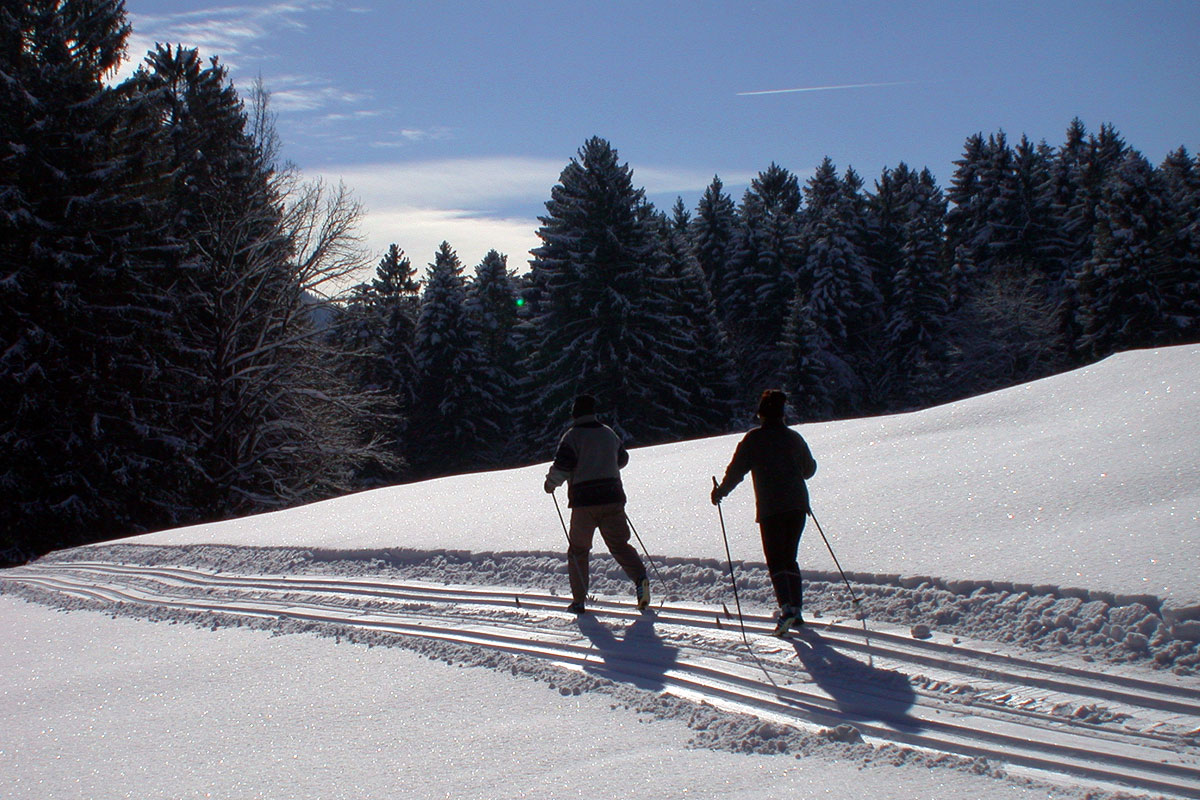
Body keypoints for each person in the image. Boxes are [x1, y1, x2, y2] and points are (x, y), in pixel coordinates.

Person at [711, 389, 817, 636]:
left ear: (761, 415)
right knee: (789, 557)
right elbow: (809, 470)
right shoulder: (794, 438)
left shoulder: (753, 440)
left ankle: (787, 610)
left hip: (771, 508)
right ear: (782, 414)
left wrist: (720, 492)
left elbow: (736, 471)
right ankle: (796, 610)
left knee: (776, 559)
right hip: (798, 506)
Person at [544, 394, 650, 613]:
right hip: (612, 497)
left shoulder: (572, 437)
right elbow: (622, 460)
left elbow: (562, 468)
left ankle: (579, 600)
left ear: (575, 414)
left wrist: (550, 484)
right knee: (619, 545)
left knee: (579, 550)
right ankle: (641, 580)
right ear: (593, 412)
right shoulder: (609, 434)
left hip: (584, 503)